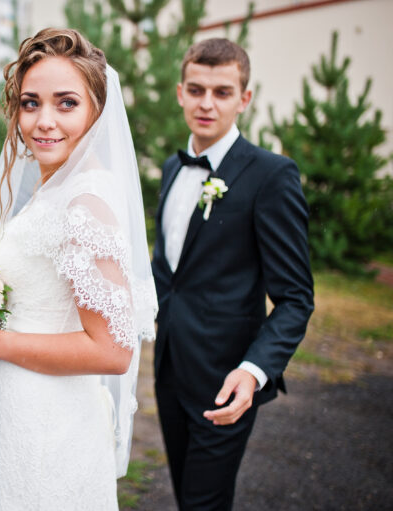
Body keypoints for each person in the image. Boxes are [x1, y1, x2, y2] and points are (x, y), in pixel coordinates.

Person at [0, 28, 157, 509]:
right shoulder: (51, 189)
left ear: (97, 110)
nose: (44, 121)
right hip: (13, 404)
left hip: (49, 423)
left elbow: (113, 353)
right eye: (31, 103)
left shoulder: (85, 202)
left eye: (66, 103)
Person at [151, 37, 314, 510]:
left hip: (227, 379)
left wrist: (254, 371)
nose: (206, 103)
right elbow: (172, 274)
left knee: (205, 503)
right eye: (197, 89)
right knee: (188, 496)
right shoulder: (170, 169)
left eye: (222, 92)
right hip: (169, 367)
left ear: (244, 99)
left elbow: (296, 297)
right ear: (180, 92)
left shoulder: (272, 175)